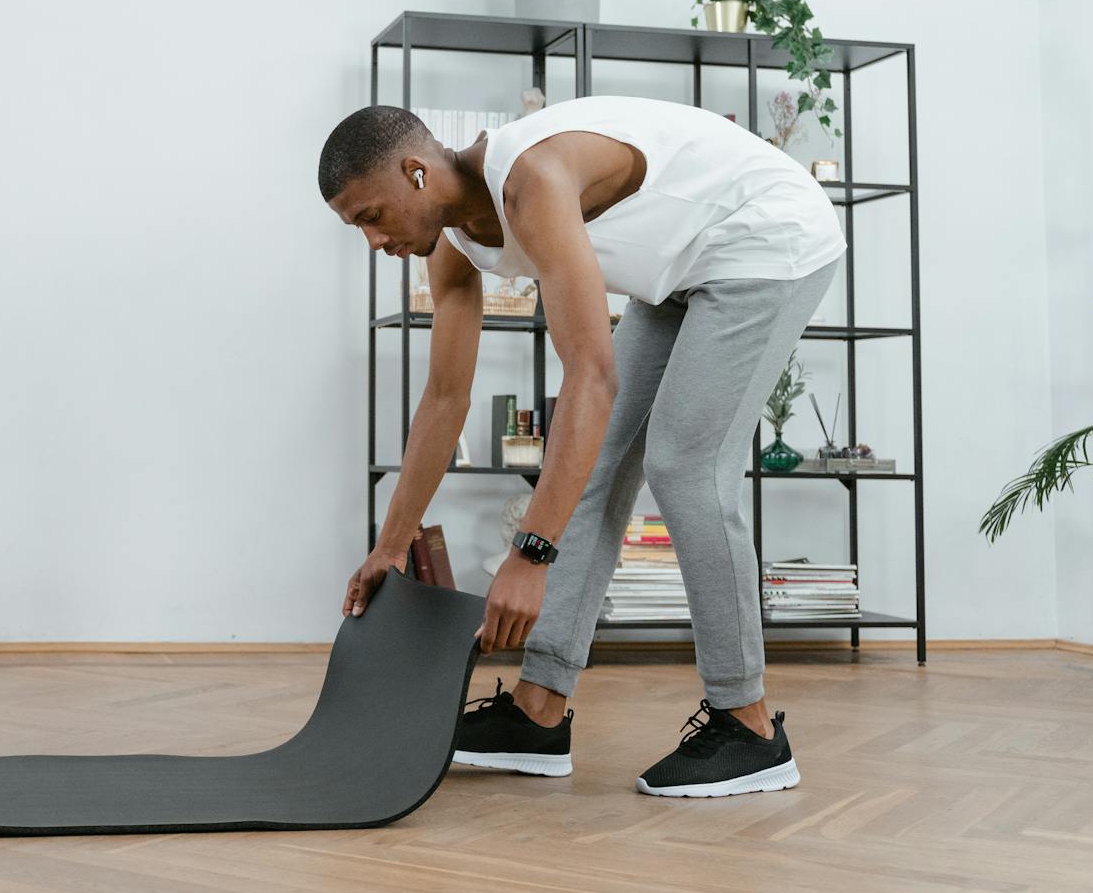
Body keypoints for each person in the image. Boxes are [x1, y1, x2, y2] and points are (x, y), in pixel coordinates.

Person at [318, 94, 845, 798]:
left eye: (370, 217)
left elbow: (590, 376)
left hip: (767, 234)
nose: (373, 241)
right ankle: (539, 710)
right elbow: (445, 397)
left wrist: (531, 553)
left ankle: (748, 723)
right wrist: (391, 542)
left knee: (685, 462)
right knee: (587, 467)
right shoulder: (450, 245)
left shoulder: (530, 181)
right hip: (682, 268)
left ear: (415, 173)